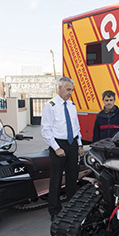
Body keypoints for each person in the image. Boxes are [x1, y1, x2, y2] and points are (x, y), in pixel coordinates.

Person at [41, 77, 84, 221]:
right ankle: (55, 211)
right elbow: (45, 130)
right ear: (59, 88)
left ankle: (71, 206)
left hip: (72, 145)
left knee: (73, 178)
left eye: (72, 90)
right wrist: (56, 148)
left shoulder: (71, 105)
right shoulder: (50, 105)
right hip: (58, 145)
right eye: (68, 89)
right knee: (56, 180)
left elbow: (76, 127)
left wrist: (79, 144)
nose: (70, 93)